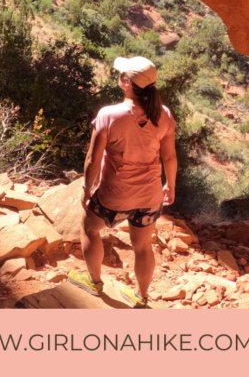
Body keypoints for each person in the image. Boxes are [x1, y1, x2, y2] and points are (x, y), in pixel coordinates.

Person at [68, 55, 178, 308]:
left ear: (125, 81)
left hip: (115, 195)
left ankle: (94, 281)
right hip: (150, 197)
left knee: (89, 227)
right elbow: (170, 157)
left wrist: (87, 189)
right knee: (142, 247)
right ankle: (141, 297)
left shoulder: (109, 115)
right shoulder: (164, 114)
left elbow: (92, 159)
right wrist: (170, 186)